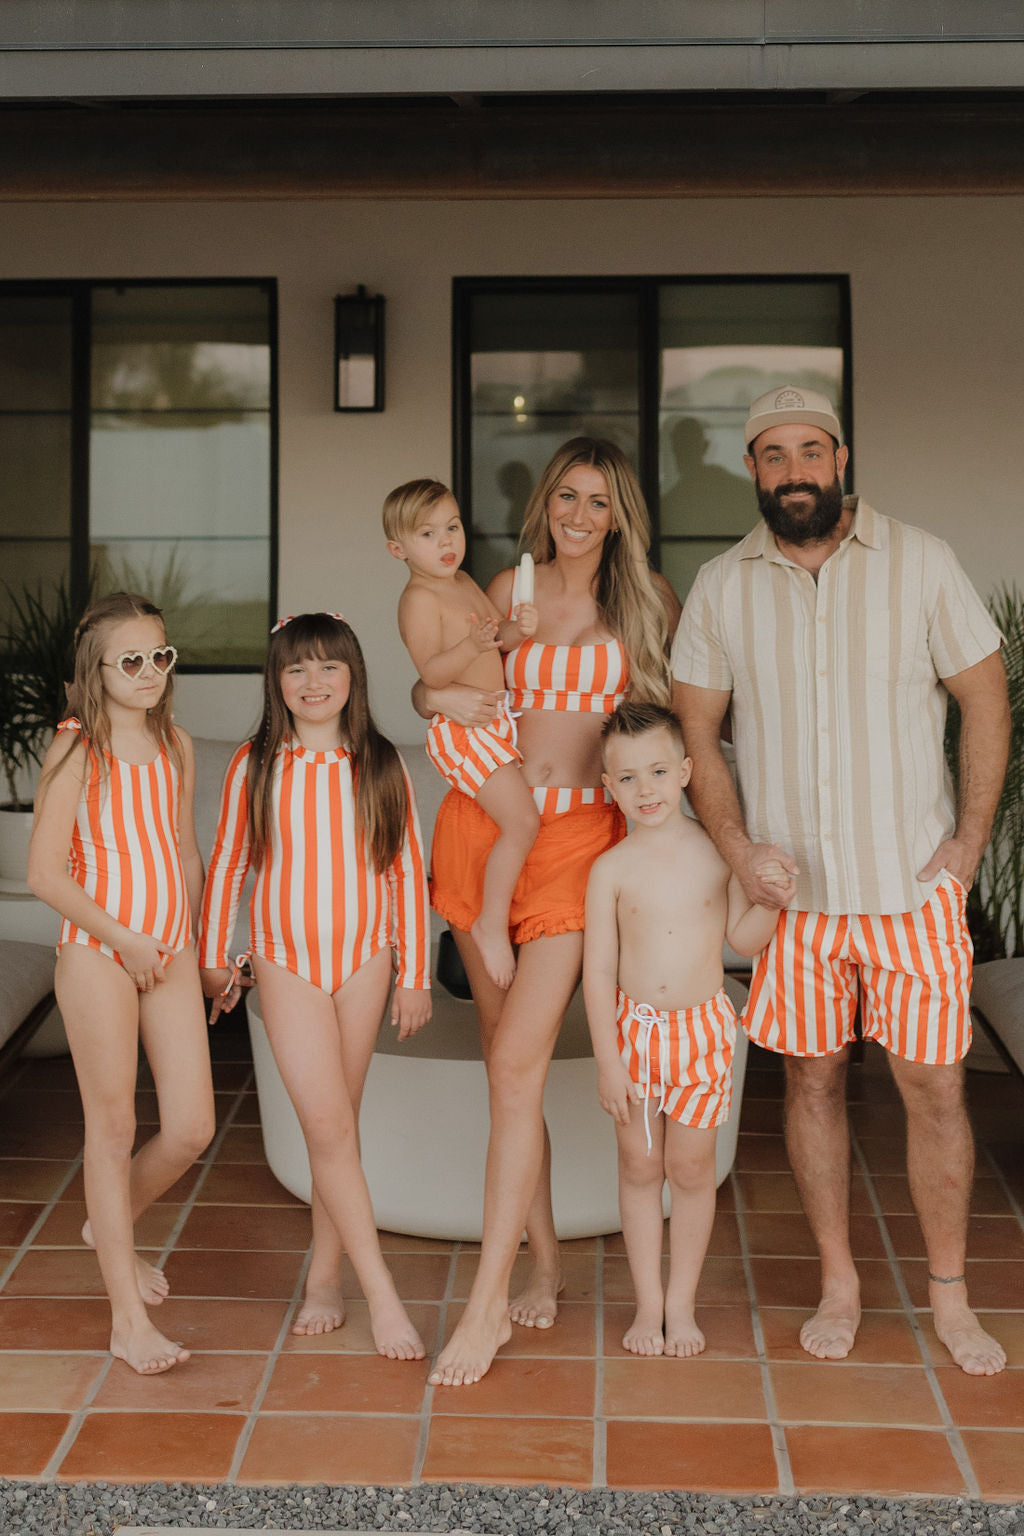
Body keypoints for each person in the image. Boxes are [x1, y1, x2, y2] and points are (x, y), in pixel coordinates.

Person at [672, 385, 1010, 1376]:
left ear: (841, 457)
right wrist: (737, 851)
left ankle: (947, 1295)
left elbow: (983, 702)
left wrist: (969, 846)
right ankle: (839, 1282)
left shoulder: (920, 560)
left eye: (809, 451)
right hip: (796, 907)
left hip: (910, 892)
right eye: (772, 456)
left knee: (934, 1090)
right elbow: (696, 733)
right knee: (812, 1082)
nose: (793, 471)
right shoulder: (721, 584)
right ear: (753, 471)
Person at [420, 436, 681, 1385]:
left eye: (599, 502)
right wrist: (427, 686)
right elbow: (437, 687)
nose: (580, 515)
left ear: (620, 516)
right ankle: (544, 1264)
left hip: (580, 845)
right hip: (484, 829)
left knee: (516, 1062)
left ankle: (483, 1309)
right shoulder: (504, 587)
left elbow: (669, 735)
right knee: (506, 1067)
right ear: (547, 504)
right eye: (567, 496)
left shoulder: (646, 602)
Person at [199, 612, 432, 1358]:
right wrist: (214, 958)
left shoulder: (382, 763)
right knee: (330, 1130)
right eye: (296, 668)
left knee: (340, 1130)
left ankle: (324, 1278)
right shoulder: (255, 764)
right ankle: (383, 1297)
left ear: (354, 678)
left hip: (366, 962)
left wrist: (416, 974)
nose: (313, 681)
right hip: (284, 963)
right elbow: (229, 866)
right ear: (276, 681)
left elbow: (406, 875)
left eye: (330, 666)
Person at [27, 592, 215, 1375]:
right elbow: (44, 873)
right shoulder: (76, 750)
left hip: (166, 954)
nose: (148, 672)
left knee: (191, 1129)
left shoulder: (176, 742)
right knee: (111, 1131)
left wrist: (195, 948)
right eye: (130, 660)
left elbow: (183, 851)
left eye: (159, 656)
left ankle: (107, 1226)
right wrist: (123, 939)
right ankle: (127, 1321)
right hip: (100, 952)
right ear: (96, 671)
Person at [584, 702, 792, 1358]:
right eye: (627, 778)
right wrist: (609, 1061)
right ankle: (648, 1305)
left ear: (685, 771)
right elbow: (597, 972)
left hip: (704, 1033)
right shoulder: (610, 869)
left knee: (691, 1166)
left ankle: (683, 1303)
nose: (644, 789)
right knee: (641, 1164)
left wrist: (773, 903)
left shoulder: (714, 853)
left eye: (657, 771)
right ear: (608, 785)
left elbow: (742, 938)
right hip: (634, 1033)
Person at [384, 478, 540, 990]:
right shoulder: (417, 599)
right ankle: (490, 925)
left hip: (493, 724)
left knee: (513, 823)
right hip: (463, 730)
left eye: (452, 527)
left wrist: (519, 628)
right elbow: (431, 673)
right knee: (521, 822)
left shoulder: (463, 581)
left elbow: (496, 639)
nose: (446, 541)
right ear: (398, 549)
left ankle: (494, 916)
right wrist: (474, 644)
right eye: (428, 534)